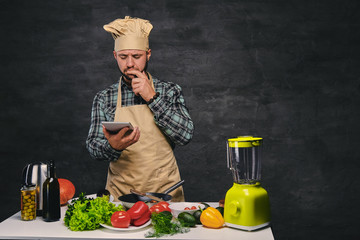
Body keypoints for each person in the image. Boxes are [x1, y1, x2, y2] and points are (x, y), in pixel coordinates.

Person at [86, 16, 194, 202]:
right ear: (115, 56)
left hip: (164, 193)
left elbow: (185, 135)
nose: (129, 64)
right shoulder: (104, 98)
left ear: (148, 54)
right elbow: (93, 146)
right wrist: (112, 146)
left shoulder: (169, 91)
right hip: (121, 195)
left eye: (136, 56)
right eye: (123, 57)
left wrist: (152, 97)